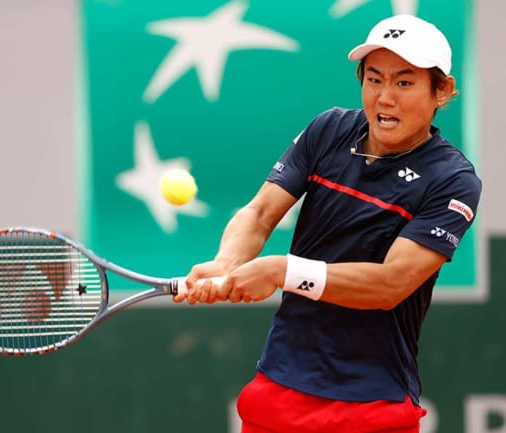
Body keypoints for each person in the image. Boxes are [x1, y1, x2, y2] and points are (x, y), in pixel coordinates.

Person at [174, 14, 482, 433]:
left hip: (374, 404)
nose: (385, 97)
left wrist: (282, 271)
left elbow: (390, 283)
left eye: (404, 82)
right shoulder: (329, 130)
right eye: (374, 79)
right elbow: (260, 213)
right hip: (279, 389)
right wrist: (226, 263)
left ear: (441, 91)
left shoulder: (452, 180)